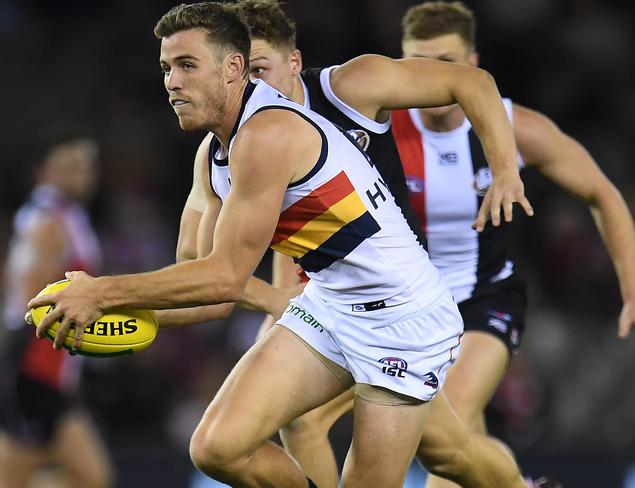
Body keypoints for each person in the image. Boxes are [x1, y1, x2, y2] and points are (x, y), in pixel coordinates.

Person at [29, 3, 532, 487]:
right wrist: (116, 315)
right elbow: (209, 290)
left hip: (402, 321)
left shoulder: (270, 133)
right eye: (165, 68)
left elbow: (222, 277)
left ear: (233, 68)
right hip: (331, 306)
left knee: (446, 453)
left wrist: (101, 293)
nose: (172, 82)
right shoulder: (215, 152)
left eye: (186, 65)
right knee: (216, 447)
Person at [390, 2, 635, 487]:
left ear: (473, 66)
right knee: (463, 443)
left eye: (444, 63)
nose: (429, 77)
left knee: (440, 429)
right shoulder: (378, 128)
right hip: (406, 312)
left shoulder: (513, 128)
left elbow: (603, 193)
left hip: (485, 304)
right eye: (415, 63)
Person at [0, 126, 112, 488]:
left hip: (48, 369)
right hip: (33, 366)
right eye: (70, 165)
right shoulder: (47, 221)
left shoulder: (65, 215)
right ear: (43, 171)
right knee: (82, 477)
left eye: (86, 165)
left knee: (74, 477)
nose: (82, 174)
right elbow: (32, 296)